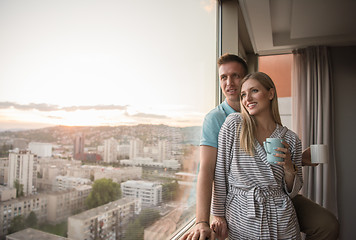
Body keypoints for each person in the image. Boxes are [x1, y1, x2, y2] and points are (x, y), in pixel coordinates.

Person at [180, 53, 339, 240]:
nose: (229, 83)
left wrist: (294, 163)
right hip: (242, 208)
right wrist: (207, 219)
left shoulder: (290, 137)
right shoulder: (225, 121)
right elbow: (210, 171)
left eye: (236, 76)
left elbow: (284, 180)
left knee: (328, 225)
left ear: (269, 92)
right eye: (223, 77)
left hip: (279, 204)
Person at [212, 72, 302, 239]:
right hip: (241, 217)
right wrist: (218, 215)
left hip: (281, 218)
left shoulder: (291, 138)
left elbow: (293, 191)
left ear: (270, 93)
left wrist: (289, 168)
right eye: (243, 94)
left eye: (254, 91)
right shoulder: (234, 125)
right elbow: (220, 173)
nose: (247, 99)